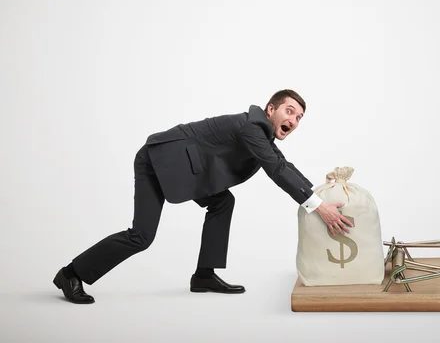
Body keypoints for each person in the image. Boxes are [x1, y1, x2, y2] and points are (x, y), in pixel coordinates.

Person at [53, 89, 354, 304]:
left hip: (185, 170)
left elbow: (282, 164)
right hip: (157, 162)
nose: (295, 120)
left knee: (223, 201)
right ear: (270, 109)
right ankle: (71, 273)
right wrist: (318, 208)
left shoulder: (261, 134)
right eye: (290, 111)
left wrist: (319, 196)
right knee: (141, 236)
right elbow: (275, 169)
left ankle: (204, 276)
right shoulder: (251, 127)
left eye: (300, 118)